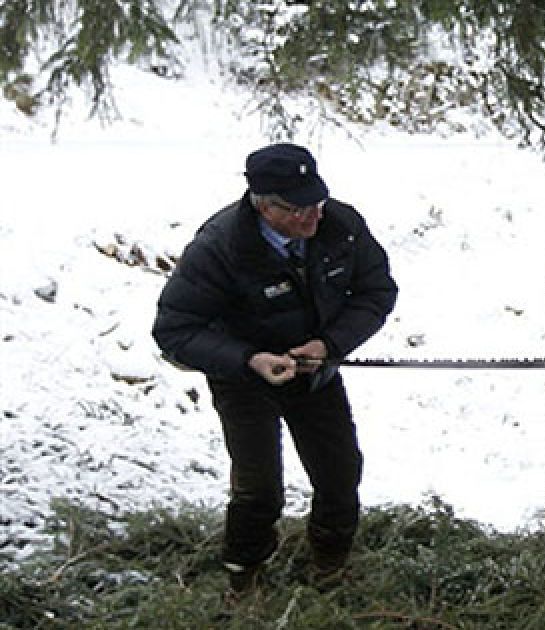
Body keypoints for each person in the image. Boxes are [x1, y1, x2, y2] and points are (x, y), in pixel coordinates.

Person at [152, 143, 398, 596]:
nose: (312, 217)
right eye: (296, 209)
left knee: (341, 472)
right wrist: (249, 359)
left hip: (314, 371)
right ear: (262, 204)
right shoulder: (220, 246)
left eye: (317, 203)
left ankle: (329, 566)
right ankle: (244, 577)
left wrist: (330, 344)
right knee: (259, 489)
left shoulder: (342, 226)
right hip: (244, 379)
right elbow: (174, 330)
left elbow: (376, 292)